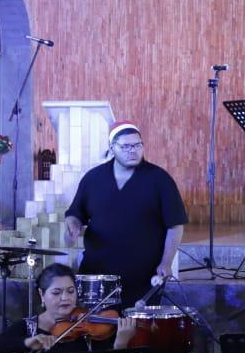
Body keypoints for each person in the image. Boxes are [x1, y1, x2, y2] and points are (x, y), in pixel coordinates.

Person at [65, 121, 188, 308]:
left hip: (143, 275)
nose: (133, 151)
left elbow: (175, 225)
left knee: (137, 325)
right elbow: (75, 213)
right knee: (96, 324)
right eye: (125, 146)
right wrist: (73, 226)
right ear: (112, 148)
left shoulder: (159, 179)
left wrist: (166, 262)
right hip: (97, 271)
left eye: (137, 145)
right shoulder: (93, 179)